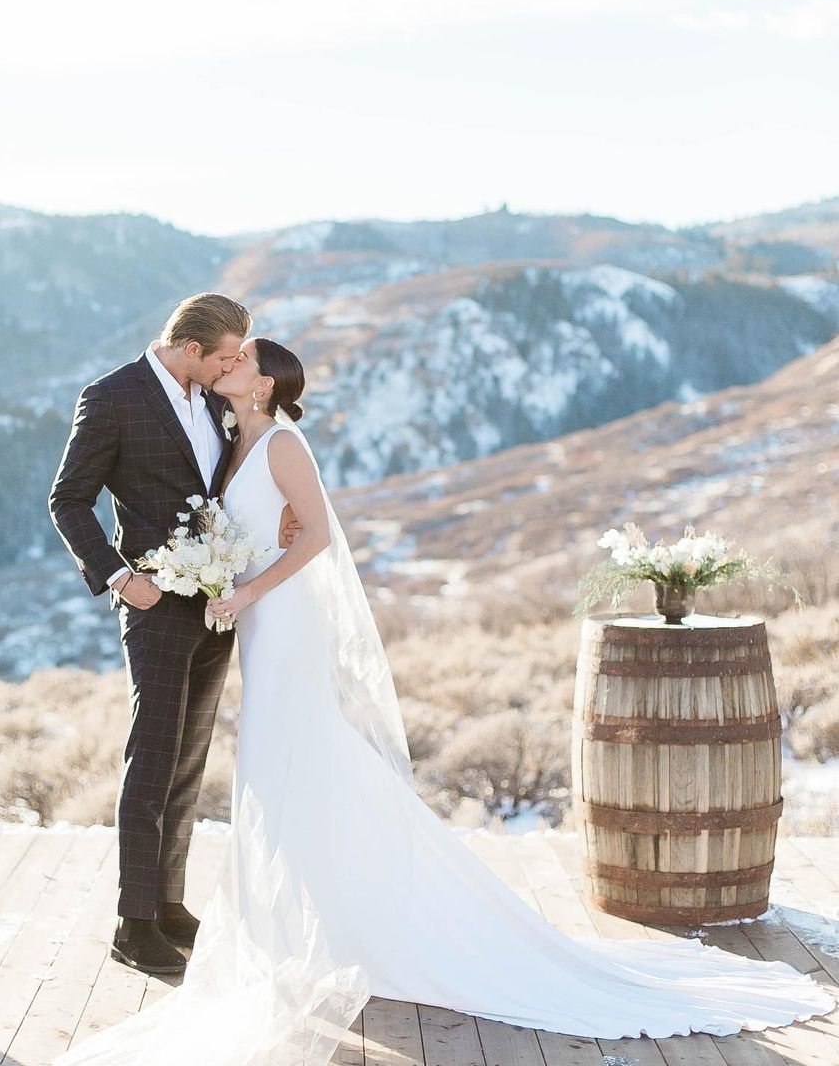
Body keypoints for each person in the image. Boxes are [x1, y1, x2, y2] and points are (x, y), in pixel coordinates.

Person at [54, 337, 836, 1065]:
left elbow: (316, 537)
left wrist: (249, 586)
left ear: (262, 383)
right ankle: (307, 921)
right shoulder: (235, 437)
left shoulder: (283, 442)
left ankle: (330, 926)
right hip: (251, 622)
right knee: (278, 769)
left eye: (242, 357)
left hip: (279, 622)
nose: (229, 362)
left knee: (291, 758)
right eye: (225, 352)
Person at [48, 294, 299, 977]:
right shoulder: (112, 397)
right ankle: (133, 925)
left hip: (216, 605)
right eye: (224, 355)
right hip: (155, 604)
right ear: (190, 349)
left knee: (189, 763)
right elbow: (67, 499)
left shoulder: (217, 400)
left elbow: (234, 482)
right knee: (152, 760)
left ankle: (168, 904)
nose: (232, 366)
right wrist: (121, 579)